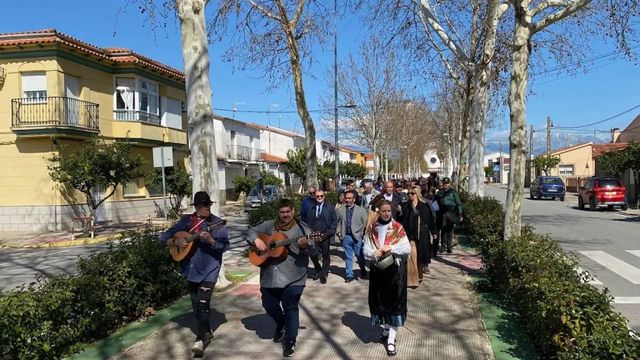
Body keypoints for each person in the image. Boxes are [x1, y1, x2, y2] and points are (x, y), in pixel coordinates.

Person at [160, 191, 230, 356]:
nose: (205, 208)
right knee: (196, 307)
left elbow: (224, 246)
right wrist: (175, 241)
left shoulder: (217, 223)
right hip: (190, 269)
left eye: (207, 205)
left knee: (204, 304)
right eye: (201, 205)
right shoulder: (186, 221)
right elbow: (164, 237)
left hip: (209, 269)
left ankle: (200, 340)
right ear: (196, 207)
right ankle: (206, 332)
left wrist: (211, 240)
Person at [246, 198, 315, 357]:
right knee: (269, 304)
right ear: (278, 212)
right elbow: (250, 230)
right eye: (282, 212)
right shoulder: (269, 225)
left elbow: (313, 250)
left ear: (293, 211)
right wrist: (256, 239)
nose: (285, 215)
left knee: (291, 308)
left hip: (294, 276)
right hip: (270, 275)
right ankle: (282, 323)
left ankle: (289, 342)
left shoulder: (302, 229)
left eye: (288, 212)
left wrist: (306, 245)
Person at [363, 200, 411, 357]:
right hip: (379, 272)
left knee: (394, 304)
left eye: (389, 211)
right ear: (378, 212)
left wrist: (391, 247)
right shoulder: (372, 229)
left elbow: (407, 248)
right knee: (380, 302)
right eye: (383, 211)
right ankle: (386, 329)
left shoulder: (398, 228)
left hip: (395, 273)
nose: (386, 214)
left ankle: (391, 340)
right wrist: (373, 253)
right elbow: (365, 250)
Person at [398, 186, 437, 287]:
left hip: (422, 235)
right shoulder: (405, 205)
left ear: (417, 194)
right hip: (409, 235)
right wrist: (400, 213)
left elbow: (430, 220)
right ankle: (412, 280)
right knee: (412, 256)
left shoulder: (424, 206)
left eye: (412, 193)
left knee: (420, 257)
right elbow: (401, 220)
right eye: (409, 193)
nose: (410, 195)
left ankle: (419, 275)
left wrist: (434, 232)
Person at [305, 190, 338, 284]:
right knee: (312, 253)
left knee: (325, 255)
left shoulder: (330, 207)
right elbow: (308, 222)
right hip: (314, 235)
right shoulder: (311, 208)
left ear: (324, 196)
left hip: (325, 235)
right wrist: (310, 232)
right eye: (317, 196)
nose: (319, 198)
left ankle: (324, 274)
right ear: (315, 197)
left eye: (321, 196)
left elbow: (334, 221)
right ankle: (318, 268)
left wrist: (329, 233)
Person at [337, 190, 369, 282]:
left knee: (359, 255)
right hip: (346, 236)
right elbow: (338, 222)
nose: (347, 200)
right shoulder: (341, 209)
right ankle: (349, 275)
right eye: (346, 198)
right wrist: (339, 232)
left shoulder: (361, 210)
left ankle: (362, 267)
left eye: (349, 198)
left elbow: (365, 223)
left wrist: (361, 234)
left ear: (354, 199)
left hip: (357, 237)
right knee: (348, 256)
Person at [435, 178, 463, 254]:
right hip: (442, 213)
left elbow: (458, 203)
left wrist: (460, 214)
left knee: (450, 230)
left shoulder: (453, 192)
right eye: (444, 183)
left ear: (449, 184)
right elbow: (434, 203)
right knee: (443, 229)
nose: (445, 185)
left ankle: (449, 246)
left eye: (447, 183)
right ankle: (443, 246)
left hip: (451, 212)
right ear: (442, 184)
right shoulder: (439, 193)